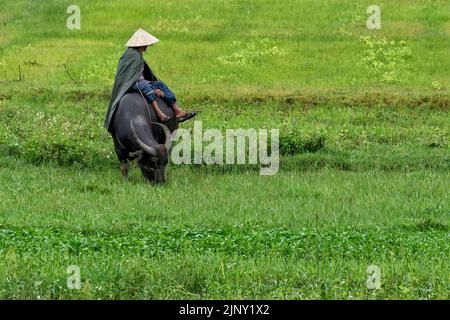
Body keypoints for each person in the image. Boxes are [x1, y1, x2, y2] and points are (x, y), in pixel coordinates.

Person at [104, 28, 196, 132]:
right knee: (146, 86)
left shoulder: (137, 54)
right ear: (141, 44)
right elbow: (133, 78)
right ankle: (159, 113)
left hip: (139, 81)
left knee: (160, 84)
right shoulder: (131, 55)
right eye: (146, 44)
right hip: (131, 84)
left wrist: (154, 85)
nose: (147, 46)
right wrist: (152, 88)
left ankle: (177, 109)